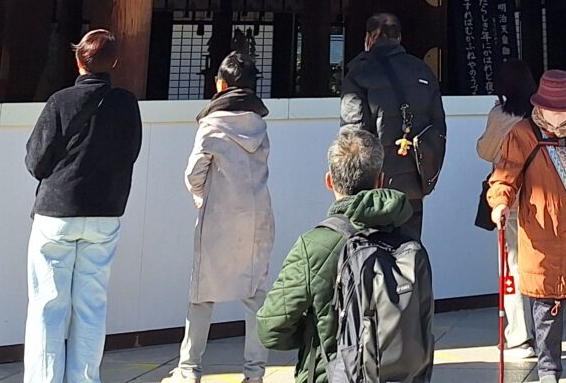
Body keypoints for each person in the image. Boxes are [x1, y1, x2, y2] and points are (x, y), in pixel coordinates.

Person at [23, 29, 145, 383]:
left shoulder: (60, 101)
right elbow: (131, 152)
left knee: (48, 306)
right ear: (114, 62)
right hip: (105, 213)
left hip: (57, 212)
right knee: (91, 307)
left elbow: (35, 161)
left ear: (79, 61)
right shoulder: (127, 103)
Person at [257, 128, 415, 383]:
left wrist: (314, 331)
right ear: (380, 180)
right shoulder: (407, 241)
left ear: (329, 181)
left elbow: (271, 329)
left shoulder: (314, 245)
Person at [487, 69, 566, 383]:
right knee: (545, 310)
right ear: (539, 106)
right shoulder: (522, 133)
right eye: (552, 110)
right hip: (541, 233)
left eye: (565, 110)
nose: (559, 117)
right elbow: (505, 175)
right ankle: (548, 371)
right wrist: (500, 203)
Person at [175, 53, 275, 383]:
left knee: (202, 293)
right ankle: (254, 373)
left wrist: (202, 198)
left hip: (219, 215)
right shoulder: (259, 124)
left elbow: (194, 174)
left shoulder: (211, 125)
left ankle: (189, 370)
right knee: (255, 296)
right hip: (258, 215)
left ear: (221, 84)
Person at [341, 11, 447, 242]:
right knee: (410, 251)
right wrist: (427, 180)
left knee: (373, 254)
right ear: (399, 38)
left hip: (374, 188)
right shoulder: (422, 71)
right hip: (414, 186)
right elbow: (438, 130)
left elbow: (353, 135)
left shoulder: (359, 72)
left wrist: (353, 188)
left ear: (369, 38)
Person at [478, 59, 538, 363]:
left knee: (512, 267)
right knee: (541, 265)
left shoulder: (500, 115)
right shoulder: (542, 113)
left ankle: (519, 337)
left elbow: (485, 151)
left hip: (509, 201)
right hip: (542, 201)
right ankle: (545, 332)